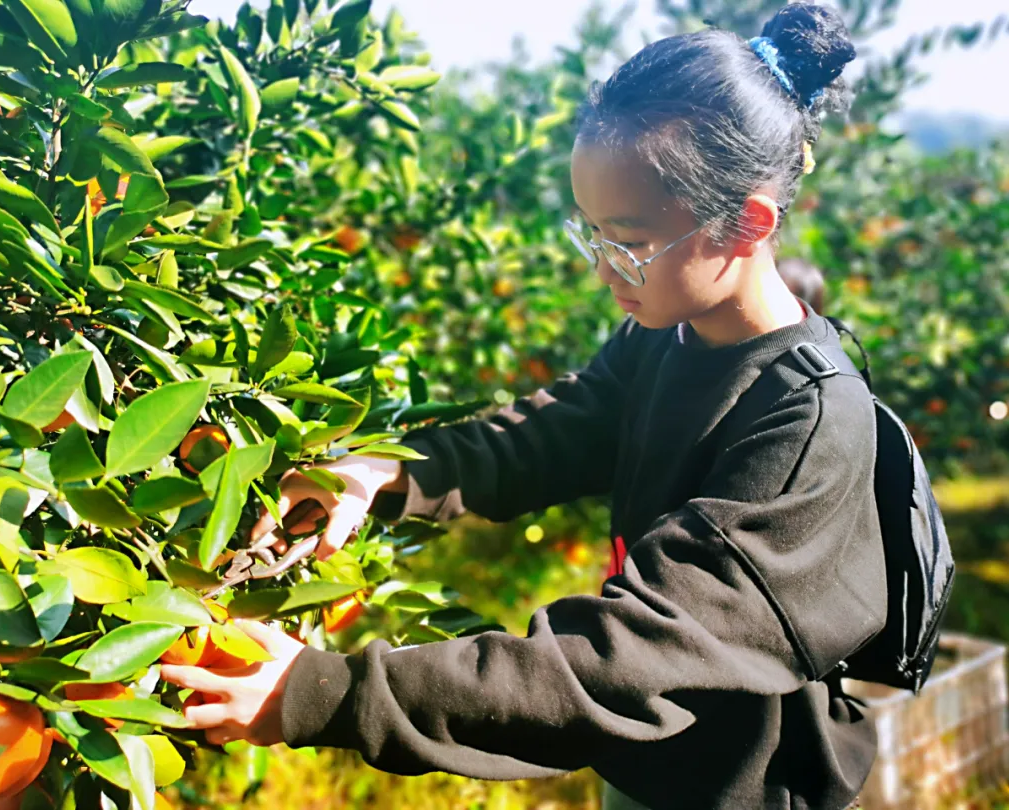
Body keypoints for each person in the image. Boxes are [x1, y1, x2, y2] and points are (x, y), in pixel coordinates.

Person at [161, 5, 887, 809]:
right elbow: (550, 433)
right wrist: (386, 475)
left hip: (742, 790)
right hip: (644, 767)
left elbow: (625, 658)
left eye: (629, 242)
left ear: (746, 222)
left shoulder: (807, 422)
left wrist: (321, 692)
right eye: (592, 235)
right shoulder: (664, 337)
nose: (604, 270)